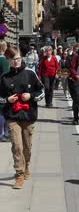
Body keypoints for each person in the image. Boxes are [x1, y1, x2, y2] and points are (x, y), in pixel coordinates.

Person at [0, 47, 44, 189]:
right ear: (8, 60)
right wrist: (7, 99)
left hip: (28, 115)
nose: (16, 62)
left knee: (27, 147)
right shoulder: (4, 77)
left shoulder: (30, 73)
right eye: (13, 60)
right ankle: (19, 174)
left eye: (18, 58)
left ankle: (26, 166)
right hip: (12, 116)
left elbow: (41, 91)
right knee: (17, 146)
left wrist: (31, 96)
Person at [0, 41, 9, 142]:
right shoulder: (3, 60)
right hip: (2, 87)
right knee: (3, 110)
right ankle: (3, 133)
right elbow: (6, 75)